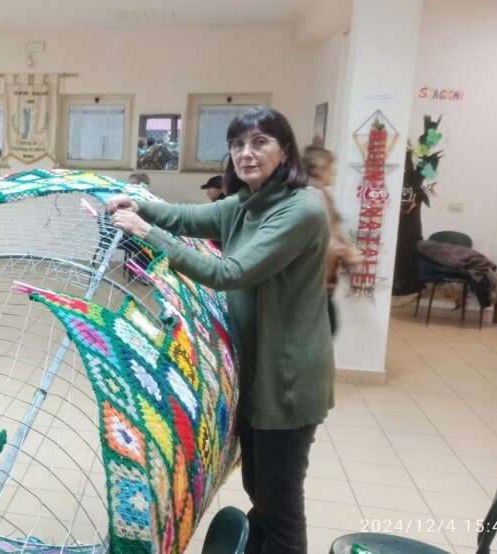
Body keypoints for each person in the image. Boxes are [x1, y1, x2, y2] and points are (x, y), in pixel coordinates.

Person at [107, 107, 333, 554]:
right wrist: (142, 207)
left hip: (286, 380)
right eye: (237, 144)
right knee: (262, 497)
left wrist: (146, 233)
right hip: (255, 374)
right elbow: (189, 217)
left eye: (260, 142)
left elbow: (231, 271)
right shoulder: (248, 201)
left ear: (285, 150)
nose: (246, 153)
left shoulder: (301, 209)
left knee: (281, 510)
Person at [303, 145, 362, 333]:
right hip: (314, 283)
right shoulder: (315, 194)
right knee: (325, 332)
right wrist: (348, 253)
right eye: (331, 167)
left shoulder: (313, 193)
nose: (334, 172)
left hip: (314, 283)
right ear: (320, 168)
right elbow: (323, 238)